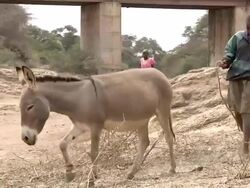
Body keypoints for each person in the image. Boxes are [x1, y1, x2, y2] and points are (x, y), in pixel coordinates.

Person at [218, 15, 250, 154]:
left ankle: (245, 146)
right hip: (235, 77)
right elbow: (229, 54)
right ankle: (247, 135)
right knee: (237, 110)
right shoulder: (237, 38)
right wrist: (225, 62)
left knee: (246, 111)